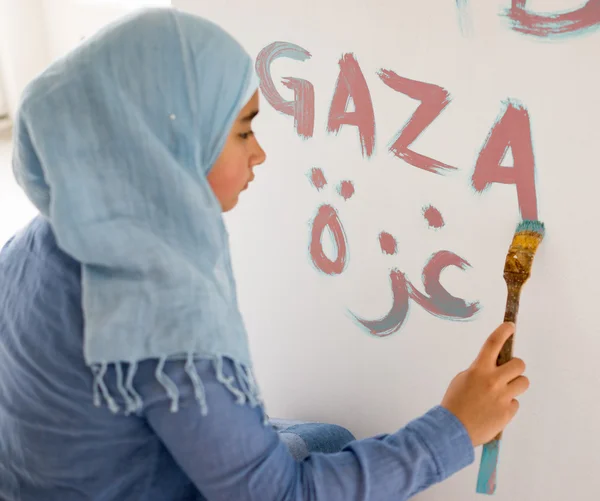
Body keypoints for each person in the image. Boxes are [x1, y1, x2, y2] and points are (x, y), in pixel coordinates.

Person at [0, 8, 529, 501]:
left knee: (323, 436)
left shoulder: (41, 239)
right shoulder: (158, 313)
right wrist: (454, 427)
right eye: (244, 129)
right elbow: (276, 494)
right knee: (327, 444)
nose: (260, 152)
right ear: (169, 144)